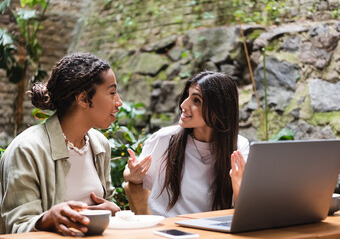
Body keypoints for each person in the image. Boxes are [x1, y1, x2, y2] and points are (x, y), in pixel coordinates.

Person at [0, 53, 121, 236]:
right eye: (112, 93)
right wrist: (47, 219)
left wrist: (113, 211)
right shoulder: (27, 149)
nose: (118, 102)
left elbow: (106, 210)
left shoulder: (100, 144)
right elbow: (16, 225)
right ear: (82, 99)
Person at [123, 71, 249, 217]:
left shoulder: (239, 146)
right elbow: (132, 179)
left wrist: (238, 184)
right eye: (187, 96)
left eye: (196, 101)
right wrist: (133, 174)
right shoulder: (166, 139)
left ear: (218, 110)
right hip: (167, 231)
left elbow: (244, 214)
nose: (183, 105)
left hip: (213, 231)